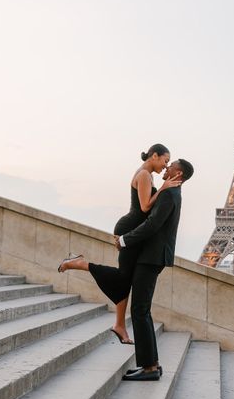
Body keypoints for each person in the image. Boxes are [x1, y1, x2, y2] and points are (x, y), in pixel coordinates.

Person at [58, 143, 181, 345]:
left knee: (125, 279)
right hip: (129, 230)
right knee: (123, 277)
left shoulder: (147, 175)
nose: (165, 167)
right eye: (165, 161)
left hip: (134, 232)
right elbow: (144, 207)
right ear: (155, 156)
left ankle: (119, 325)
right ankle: (80, 264)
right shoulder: (144, 175)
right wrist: (164, 189)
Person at [119, 158, 194, 381]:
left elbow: (152, 224)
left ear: (178, 174)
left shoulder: (169, 194)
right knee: (142, 310)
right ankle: (151, 363)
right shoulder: (172, 192)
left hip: (151, 257)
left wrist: (125, 240)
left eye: (171, 166)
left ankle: (150, 367)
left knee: (140, 310)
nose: (167, 167)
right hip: (153, 256)